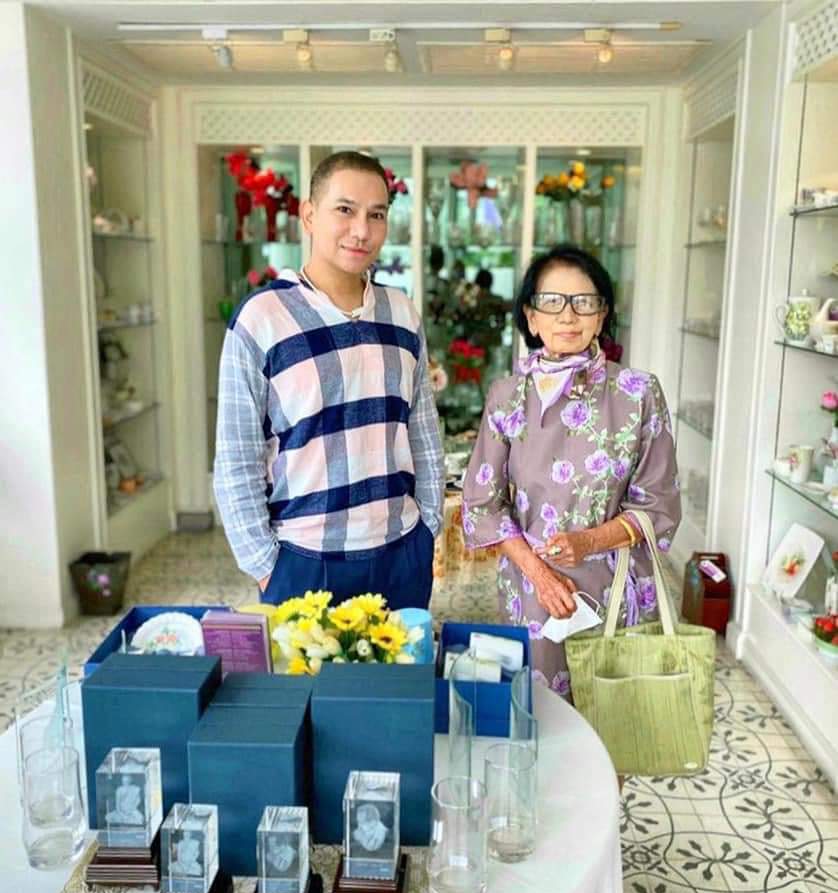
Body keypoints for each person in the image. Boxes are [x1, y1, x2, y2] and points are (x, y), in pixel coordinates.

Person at [214, 151, 445, 608]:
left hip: (401, 552)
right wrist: (265, 566)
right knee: (303, 663)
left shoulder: (401, 312)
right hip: (303, 559)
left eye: (376, 214)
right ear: (308, 215)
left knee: (404, 660)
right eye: (345, 210)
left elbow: (422, 430)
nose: (362, 230)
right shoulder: (262, 318)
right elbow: (236, 456)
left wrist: (428, 527)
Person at [461, 244, 681, 699]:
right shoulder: (507, 396)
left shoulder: (638, 393)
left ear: (602, 315)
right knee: (538, 712)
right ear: (531, 317)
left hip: (616, 589)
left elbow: (659, 506)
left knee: (612, 718)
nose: (568, 315)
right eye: (552, 301)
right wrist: (540, 576)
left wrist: (589, 542)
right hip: (532, 590)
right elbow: (482, 504)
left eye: (583, 302)